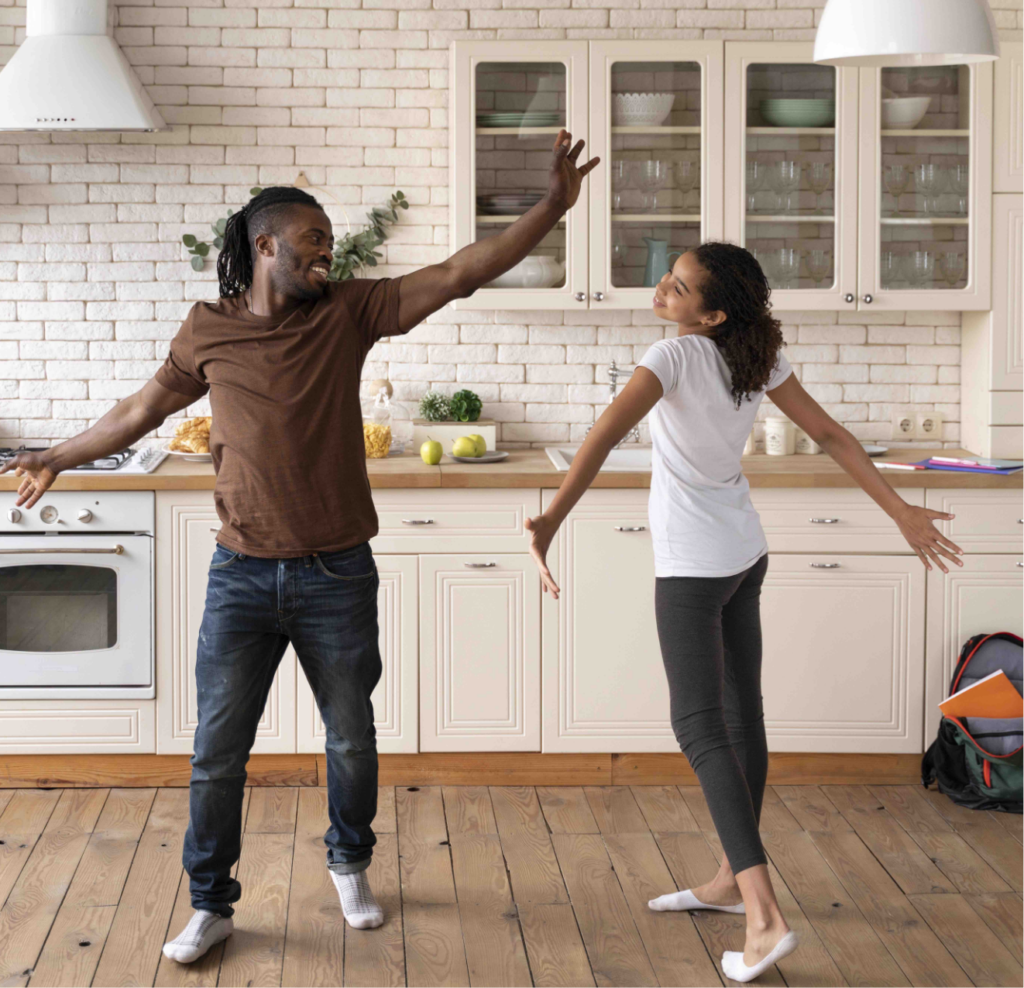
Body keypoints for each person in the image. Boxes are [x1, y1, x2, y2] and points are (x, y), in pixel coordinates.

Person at [1, 130, 599, 965]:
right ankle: (210, 904)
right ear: (266, 245)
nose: (330, 251)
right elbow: (140, 411)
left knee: (350, 737)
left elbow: (460, 273)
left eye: (331, 240)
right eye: (315, 239)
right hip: (240, 574)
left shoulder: (351, 311)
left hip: (336, 572)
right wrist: (59, 455)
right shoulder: (208, 329)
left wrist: (550, 209)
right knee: (217, 753)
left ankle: (350, 864)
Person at [524, 241, 964, 984]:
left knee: (698, 726)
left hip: (695, 567)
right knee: (741, 716)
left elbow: (601, 436)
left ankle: (763, 916)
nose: (664, 287)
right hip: (743, 556)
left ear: (713, 312)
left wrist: (549, 521)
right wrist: (896, 512)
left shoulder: (672, 355)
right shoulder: (755, 357)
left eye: (681, 285)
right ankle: (730, 880)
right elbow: (827, 434)